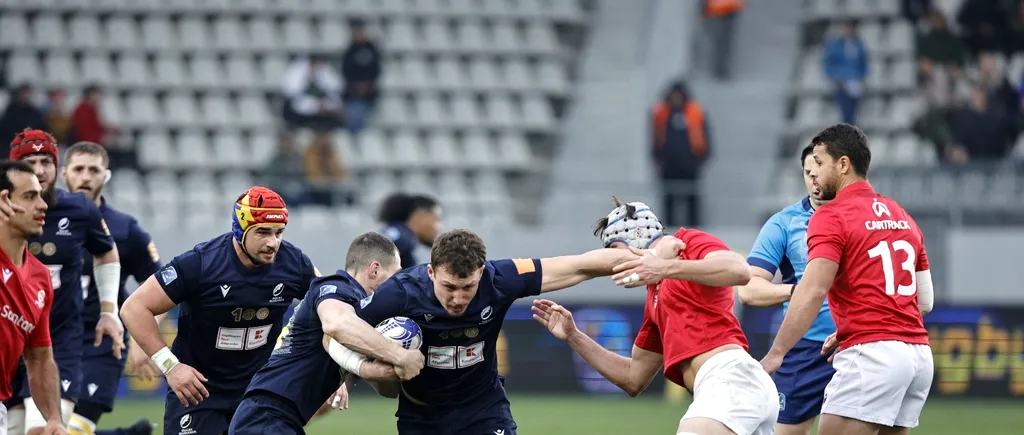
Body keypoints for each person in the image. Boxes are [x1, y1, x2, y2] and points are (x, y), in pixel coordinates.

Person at [350, 228, 641, 434]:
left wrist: (650, 258)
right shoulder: (400, 292)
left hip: (483, 409)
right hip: (421, 414)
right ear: (430, 272)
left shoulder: (501, 278)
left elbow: (579, 267)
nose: (458, 298)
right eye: (449, 287)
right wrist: (348, 372)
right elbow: (343, 329)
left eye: (469, 287)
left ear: (482, 272)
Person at [534, 198, 777, 435]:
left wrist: (664, 266)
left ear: (636, 237)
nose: (613, 265)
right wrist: (574, 336)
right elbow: (632, 378)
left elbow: (739, 271)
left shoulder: (687, 242)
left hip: (730, 379)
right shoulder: (654, 297)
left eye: (615, 252)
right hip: (726, 391)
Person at [761, 124, 935, 435]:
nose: (813, 172)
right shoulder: (901, 214)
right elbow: (925, 301)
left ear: (843, 165)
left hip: (873, 357)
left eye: (819, 161)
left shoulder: (831, 216)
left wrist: (777, 353)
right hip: (918, 357)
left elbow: (813, 292)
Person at [120, 187, 320, 435]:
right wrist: (170, 366)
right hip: (199, 393)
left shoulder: (294, 263)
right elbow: (134, 307)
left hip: (260, 391)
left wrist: (329, 371)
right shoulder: (200, 264)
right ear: (239, 230)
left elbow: (327, 308)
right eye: (262, 232)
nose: (273, 243)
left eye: (279, 233)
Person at [229, 232, 424, 435]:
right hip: (266, 414)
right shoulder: (337, 287)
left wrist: (393, 368)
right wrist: (399, 355)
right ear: (374, 269)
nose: (397, 283)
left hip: (276, 419)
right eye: (395, 274)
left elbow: (388, 391)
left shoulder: (362, 318)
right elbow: (336, 325)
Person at [5, 130, 122, 435]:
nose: (41, 170)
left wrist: (109, 310)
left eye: (47, 161)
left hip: (57, 342)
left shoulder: (80, 210)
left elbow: (107, 251)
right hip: (9, 340)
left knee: (43, 429)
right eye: (31, 162)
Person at [60, 142, 157, 435]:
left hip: (102, 344)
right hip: (50, 340)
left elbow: (159, 289)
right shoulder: (42, 221)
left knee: (73, 428)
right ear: (64, 174)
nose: (86, 177)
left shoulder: (125, 229)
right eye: (78, 169)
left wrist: (143, 341)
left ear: (106, 176)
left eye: (94, 170)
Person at [738, 143, 834, 435]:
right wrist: (796, 291)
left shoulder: (861, 218)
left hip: (855, 343)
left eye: (819, 170)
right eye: (807, 172)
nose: (813, 178)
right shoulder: (784, 223)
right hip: (804, 347)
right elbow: (748, 289)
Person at [0, 160, 66, 435]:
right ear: (4, 201)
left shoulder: (40, 279)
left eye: (40, 195)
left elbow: (39, 359)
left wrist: (53, 418)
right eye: (29, 196)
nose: (42, 205)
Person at [377, 193, 442, 269]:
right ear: (420, 216)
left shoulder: (394, 233)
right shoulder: (403, 240)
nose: (439, 227)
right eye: (436, 219)